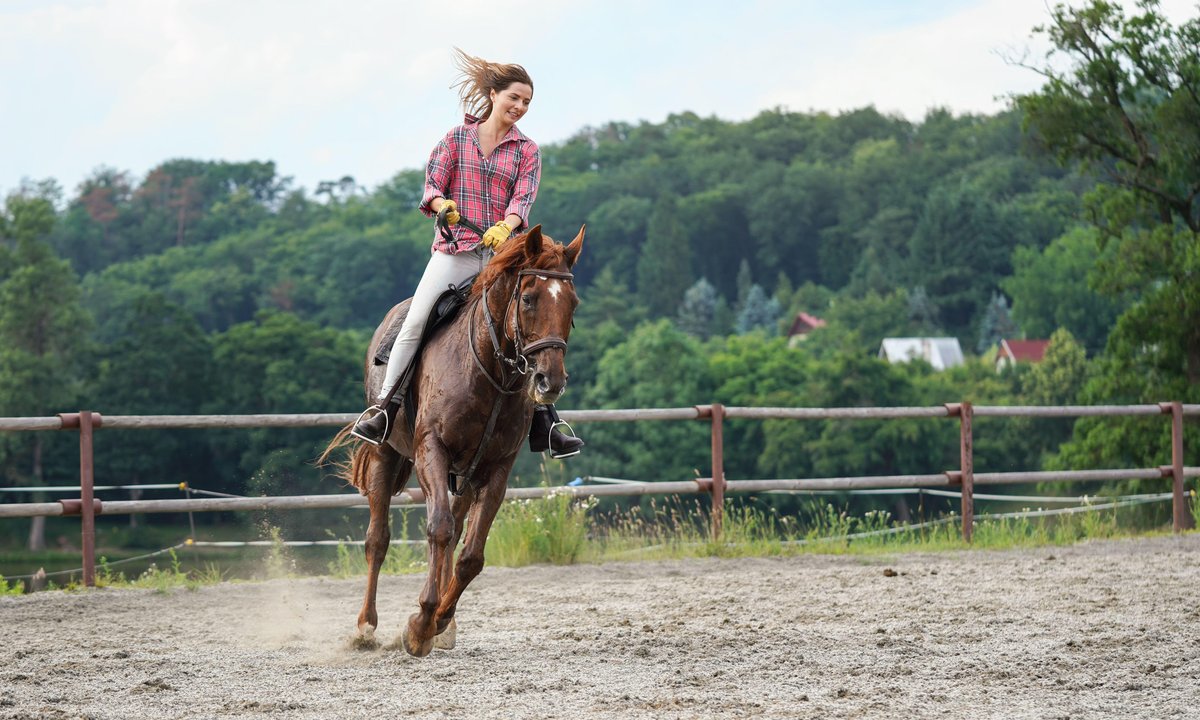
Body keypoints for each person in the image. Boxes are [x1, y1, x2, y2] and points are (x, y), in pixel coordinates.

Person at [352, 48, 584, 459]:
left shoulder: (528, 151)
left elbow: (522, 201)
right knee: (416, 321)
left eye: (527, 102)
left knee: (530, 325)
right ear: (494, 94)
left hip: (502, 258)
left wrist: (506, 227)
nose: (520, 107)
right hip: (454, 253)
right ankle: (384, 408)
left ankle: (547, 421)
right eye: (515, 97)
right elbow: (431, 188)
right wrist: (444, 206)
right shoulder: (455, 139)